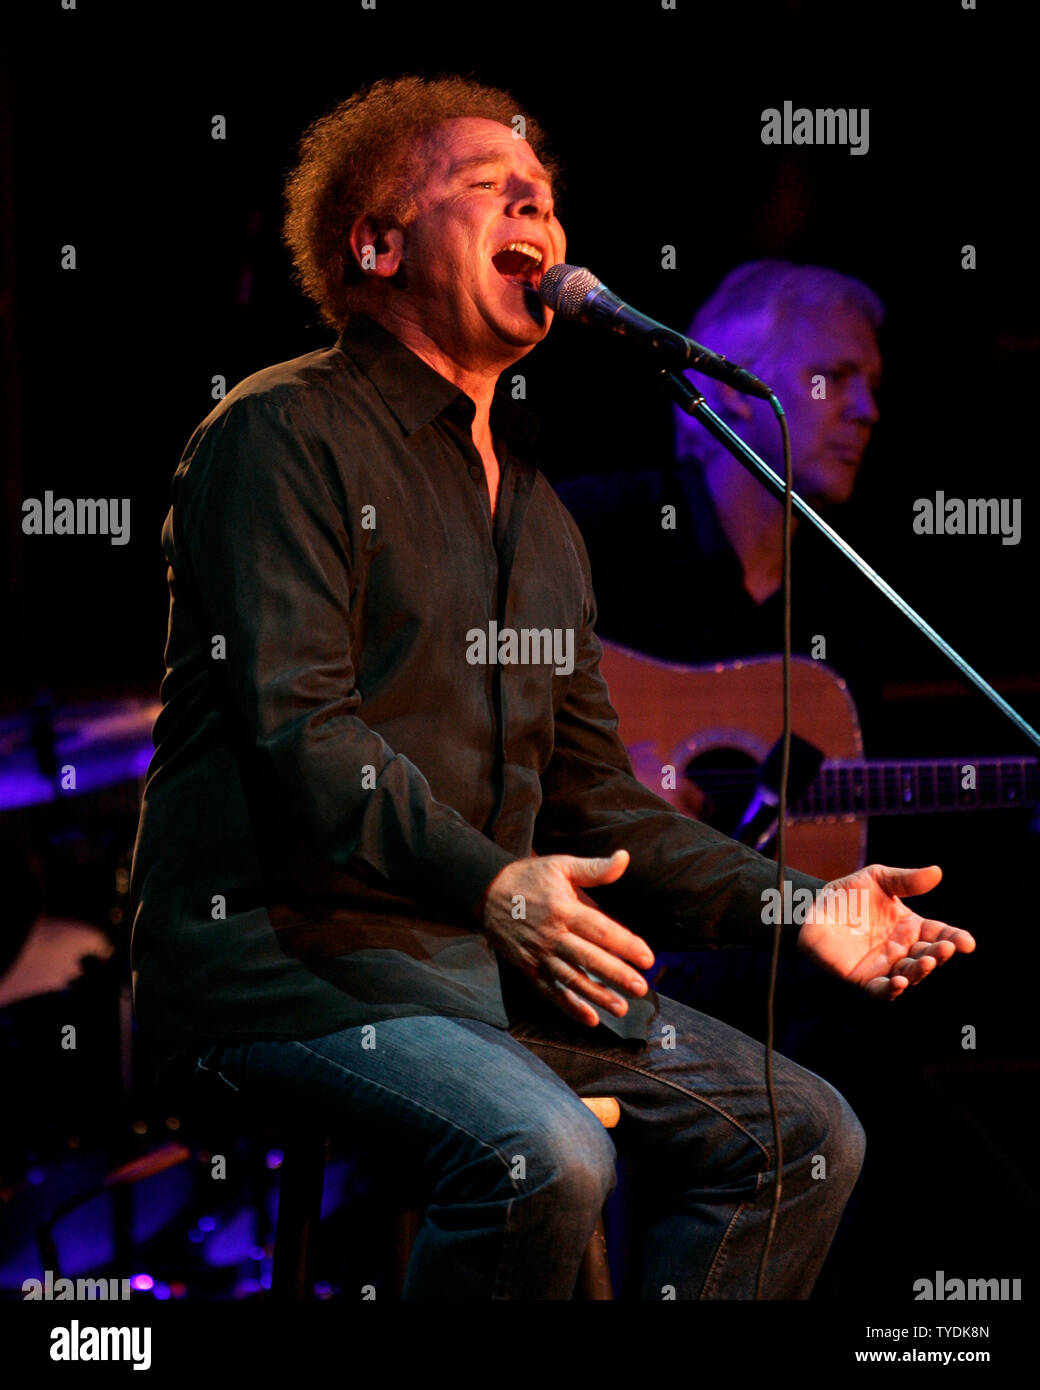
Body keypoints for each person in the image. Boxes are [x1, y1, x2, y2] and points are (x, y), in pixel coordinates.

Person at [128, 76, 973, 1300]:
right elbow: (301, 736)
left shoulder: (536, 514)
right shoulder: (282, 434)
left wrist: (798, 907)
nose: (536, 205)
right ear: (375, 243)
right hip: (280, 973)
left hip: (475, 979)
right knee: (547, 1154)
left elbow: (593, 796)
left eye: (547, 197)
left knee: (804, 1136)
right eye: (490, 188)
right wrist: (490, 880)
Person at [555, 261, 886, 724]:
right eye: (834, 377)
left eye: (871, 386)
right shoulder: (590, 529)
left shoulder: (847, 604)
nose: (867, 411)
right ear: (735, 392)